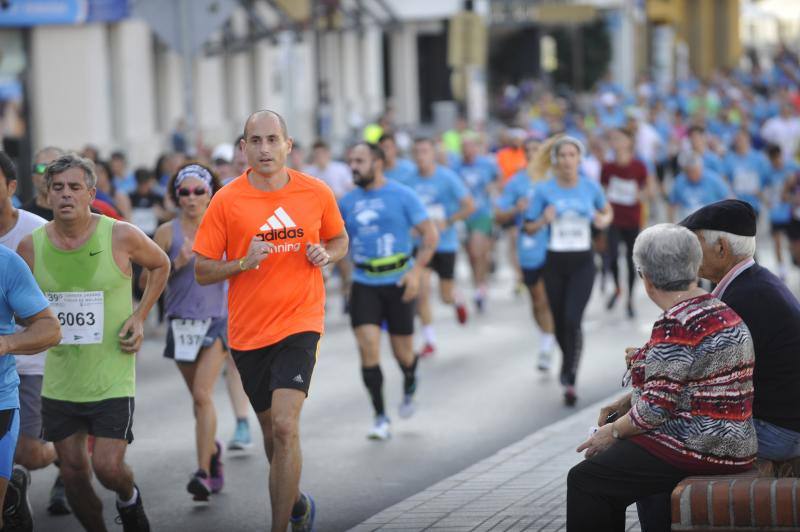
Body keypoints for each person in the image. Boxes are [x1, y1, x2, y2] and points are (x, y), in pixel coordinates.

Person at [193, 110, 348, 532]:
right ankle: (295, 502)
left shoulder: (315, 192)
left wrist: (327, 255)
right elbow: (202, 269)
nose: (264, 149)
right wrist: (243, 262)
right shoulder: (227, 199)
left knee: (284, 425)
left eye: (271, 140)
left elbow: (339, 238)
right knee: (270, 432)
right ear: (243, 148)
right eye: (254, 141)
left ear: (288, 145)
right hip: (248, 332)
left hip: (301, 321)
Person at [568, 223, 757, 532]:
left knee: (587, 480)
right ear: (694, 266)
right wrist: (625, 403)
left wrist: (612, 432)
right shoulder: (720, 309)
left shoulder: (675, 322)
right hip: (736, 442)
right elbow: (685, 383)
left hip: (702, 445)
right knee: (637, 469)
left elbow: (654, 410)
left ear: (646, 278)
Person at [17, 153, 170, 532]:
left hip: (111, 374)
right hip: (59, 379)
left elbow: (161, 264)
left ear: (90, 193)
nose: (65, 195)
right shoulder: (30, 247)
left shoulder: (120, 234)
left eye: (74, 187)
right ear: (47, 195)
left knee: (107, 466)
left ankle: (128, 498)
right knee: (72, 472)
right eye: (57, 188)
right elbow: (20, 307)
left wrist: (139, 315)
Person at [680, 200, 800, 461]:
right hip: (780, 424)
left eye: (694, 244)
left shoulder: (746, 297)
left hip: (778, 432)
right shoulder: (753, 283)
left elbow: (705, 376)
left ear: (721, 248)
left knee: (660, 439)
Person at [339, 142, 438, 440]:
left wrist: (417, 272)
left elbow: (430, 235)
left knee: (402, 353)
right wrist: (345, 281)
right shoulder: (347, 202)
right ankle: (380, 416)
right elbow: (339, 244)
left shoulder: (402, 195)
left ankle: (410, 376)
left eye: (360, 160)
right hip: (364, 282)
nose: (353, 166)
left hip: (398, 282)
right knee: (368, 347)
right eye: (350, 161)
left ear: (377, 163)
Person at [151, 163, 227, 500]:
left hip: (218, 319)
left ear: (211, 193)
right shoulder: (167, 233)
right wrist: (177, 264)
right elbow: (144, 285)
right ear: (176, 196)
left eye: (199, 191)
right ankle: (212, 450)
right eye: (185, 192)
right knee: (198, 400)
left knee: (202, 395)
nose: (192, 198)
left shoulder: (225, 227)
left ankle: (203, 473)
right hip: (181, 322)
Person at [0, 152, 67, 528]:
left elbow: (55, 304)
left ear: (11, 187)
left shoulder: (35, 232)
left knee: (31, 452)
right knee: (16, 457)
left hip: (31, 358)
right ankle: (12, 487)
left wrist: (10, 342)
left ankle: (65, 450)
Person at [523, 136, 612, 405]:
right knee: (560, 321)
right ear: (555, 160)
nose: (567, 160)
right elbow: (527, 226)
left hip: (582, 263)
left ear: (579, 159)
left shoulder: (590, 187)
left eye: (572, 155)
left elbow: (607, 212)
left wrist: (602, 220)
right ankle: (567, 360)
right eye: (562, 156)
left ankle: (570, 374)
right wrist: (542, 220)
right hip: (553, 262)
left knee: (573, 319)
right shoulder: (543, 190)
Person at [406, 138, 475, 358]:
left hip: (445, 243)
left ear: (433, 154)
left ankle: (456, 298)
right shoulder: (409, 181)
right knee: (421, 291)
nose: (421, 155)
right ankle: (429, 340)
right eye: (417, 152)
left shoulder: (447, 177)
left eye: (425, 151)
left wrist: (449, 220)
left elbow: (469, 206)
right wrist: (412, 228)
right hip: (420, 245)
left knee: (444, 296)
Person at [495, 138, 556, 370]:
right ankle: (546, 338)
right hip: (530, 247)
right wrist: (515, 209)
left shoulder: (555, 177)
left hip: (557, 246)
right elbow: (499, 215)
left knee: (552, 298)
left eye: (536, 150)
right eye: (528, 151)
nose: (532, 154)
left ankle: (550, 342)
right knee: (538, 298)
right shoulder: (517, 182)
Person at [600, 128, 650, 318]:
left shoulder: (639, 166)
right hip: (613, 218)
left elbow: (647, 190)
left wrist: (641, 195)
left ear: (629, 142)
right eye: (613, 139)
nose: (615, 142)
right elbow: (602, 191)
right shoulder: (608, 167)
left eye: (619, 139)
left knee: (631, 260)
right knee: (611, 257)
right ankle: (618, 288)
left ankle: (629, 299)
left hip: (632, 218)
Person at [452, 133, 499, 312]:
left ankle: (481, 285)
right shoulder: (456, 167)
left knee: (477, 250)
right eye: (464, 147)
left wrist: (493, 188)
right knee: (471, 255)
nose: (467, 150)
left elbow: (498, 180)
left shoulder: (486, 164)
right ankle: (479, 285)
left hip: (482, 212)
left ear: (476, 148)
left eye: (470, 146)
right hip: (463, 215)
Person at [765, 144, 799, 279]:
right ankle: (782, 269)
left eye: (777, 159)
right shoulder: (768, 171)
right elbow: (761, 187)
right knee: (777, 241)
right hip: (776, 212)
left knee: (794, 243)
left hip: (791, 212)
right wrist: (766, 201)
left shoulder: (792, 167)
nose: (776, 162)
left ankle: (793, 257)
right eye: (773, 160)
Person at [667, 153, 730, 222]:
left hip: (711, 219)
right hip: (688, 220)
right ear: (685, 171)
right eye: (689, 172)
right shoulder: (679, 181)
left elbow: (729, 198)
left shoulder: (713, 179)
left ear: (701, 168)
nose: (693, 175)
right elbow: (672, 205)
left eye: (695, 171)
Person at [721, 129, 769, 215]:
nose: (739, 141)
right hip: (736, 204)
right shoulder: (729, 158)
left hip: (754, 204)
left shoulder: (759, 158)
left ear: (749, 140)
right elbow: (724, 179)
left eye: (742, 139)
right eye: (737, 139)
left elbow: (767, 179)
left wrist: (761, 192)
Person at [23, 146, 64, 221]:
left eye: (55, 167)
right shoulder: (21, 217)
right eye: (41, 168)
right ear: (33, 177)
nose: (48, 174)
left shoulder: (86, 216)